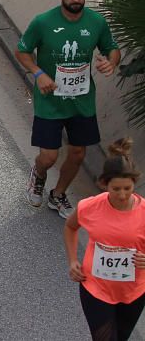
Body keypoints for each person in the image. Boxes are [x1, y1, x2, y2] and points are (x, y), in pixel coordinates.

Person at [17, 0, 121, 219]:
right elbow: (22, 51)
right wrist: (38, 72)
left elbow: (112, 48)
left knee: (78, 153)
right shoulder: (43, 22)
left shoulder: (96, 22)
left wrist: (111, 62)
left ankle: (58, 194)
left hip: (81, 100)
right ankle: (39, 175)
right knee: (49, 156)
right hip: (50, 101)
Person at [64, 138, 145, 341]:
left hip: (134, 291)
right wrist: (73, 260)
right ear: (104, 184)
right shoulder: (89, 207)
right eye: (116, 189)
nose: (122, 194)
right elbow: (70, 227)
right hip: (95, 288)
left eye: (127, 188)